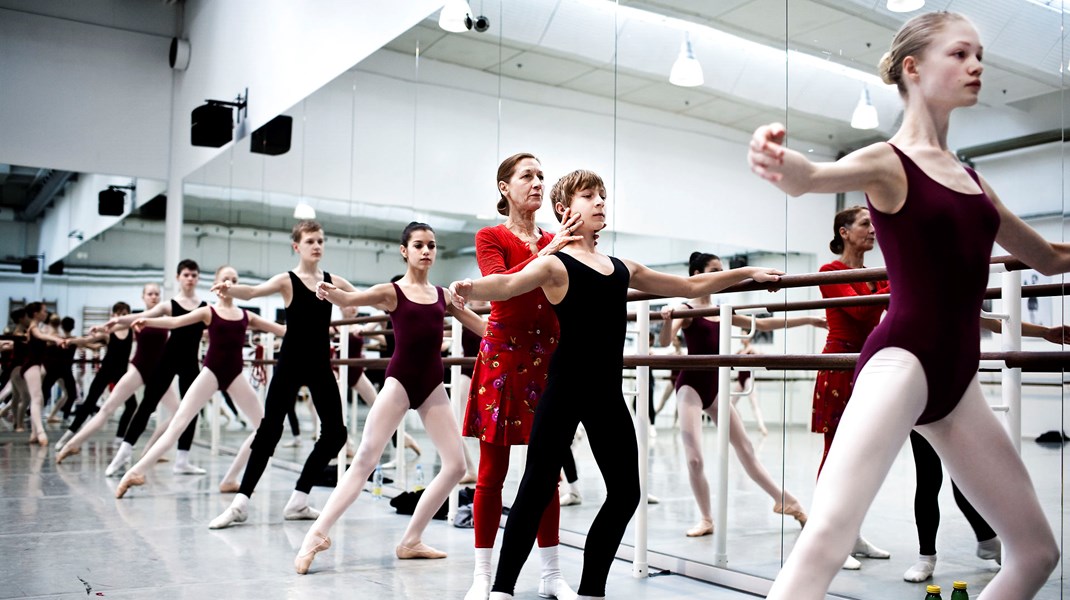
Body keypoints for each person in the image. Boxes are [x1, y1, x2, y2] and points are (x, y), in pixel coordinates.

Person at [747, 11, 1064, 598]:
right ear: (913, 69)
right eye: (960, 54)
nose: (976, 67)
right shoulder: (888, 160)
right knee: (828, 536)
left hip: (958, 380)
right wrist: (782, 165)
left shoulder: (972, 180)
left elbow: (1045, 257)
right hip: (903, 360)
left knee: (1037, 553)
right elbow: (813, 176)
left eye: (979, 57)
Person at [450, 169, 782, 600]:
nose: (601, 202)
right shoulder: (554, 265)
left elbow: (690, 284)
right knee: (535, 488)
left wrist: (747, 273)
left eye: (603, 195)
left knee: (626, 492)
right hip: (564, 387)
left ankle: (591, 590)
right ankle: (502, 590)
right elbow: (508, 285)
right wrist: (468, 285)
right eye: (589, 196)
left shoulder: (624, 267)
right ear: (565, 210)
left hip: (606, 393)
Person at [293, 222, 486, 574]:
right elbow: (351, 299)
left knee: (456, 465)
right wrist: (331, 294)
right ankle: (315, 535)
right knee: (365, 459)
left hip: (431, 386)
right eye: (418, 245)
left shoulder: (443, 296)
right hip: (399, 383)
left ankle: (411, 539)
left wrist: (518, 337)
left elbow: (482, 327)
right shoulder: (392, 292)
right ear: (405, 251)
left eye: (431, 245)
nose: (426, 251)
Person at [460, 152, 585, 600]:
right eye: (527, 176)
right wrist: (550, 251)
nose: (537, 183)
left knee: (546, 472)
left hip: (547, 359)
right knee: (492, 473)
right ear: (504, 187)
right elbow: (500, 282)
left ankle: (551, 573)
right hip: (503, 359)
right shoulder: (491, 235)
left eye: (541, 176)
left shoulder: (558, 237)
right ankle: (482, 574)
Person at [659, 251, 823, 538]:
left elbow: (763, 325)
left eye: (723, 269)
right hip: (690, 387)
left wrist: (808, 319)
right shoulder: (686, 309)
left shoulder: (723, 312)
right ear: (697, 275)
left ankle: (785, 501)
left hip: (715, 387)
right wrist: (665, 319)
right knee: (695, 459)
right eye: (715, 269)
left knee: (746, 449)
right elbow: (664, 342)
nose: (722, 274)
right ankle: (706, 518)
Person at [207, 220, 356, 529]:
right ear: (297, 246)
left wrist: (353, 309)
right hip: (290, 362)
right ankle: (240, 503)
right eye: (311, 240)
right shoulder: (288, 280)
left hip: (319, 364)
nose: (317, 246)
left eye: (321, 240)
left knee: (336, 434)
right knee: (269, 432)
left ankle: (299, 499)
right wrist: (229, 288)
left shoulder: (331, 281)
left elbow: (361, 298)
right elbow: (253, 291)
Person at [115, 265, 286, 498]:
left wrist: (315, 329)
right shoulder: (208, 312)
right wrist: (146, 320)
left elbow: (282, 330)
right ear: (216, 284)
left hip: (235, 374)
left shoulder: (247, 316)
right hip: (211, 372)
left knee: (265, 428)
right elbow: (175, 322)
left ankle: (230, 479)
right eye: (226, 278)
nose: (230, 283)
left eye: (234, 279)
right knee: (178, 424)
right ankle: (136, 471)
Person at [808, 205, 894, 569]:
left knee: (861, 457)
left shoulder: (875, 272)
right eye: (864, 224)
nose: (873, 230)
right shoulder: (830, 271)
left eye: (874, 225)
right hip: (840, 366)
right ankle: (827, 539)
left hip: (868, 364)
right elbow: (861, 310)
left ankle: (851, 533)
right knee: (836, 454)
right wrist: (901, 277)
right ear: (844, 232)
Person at [102, 260, 208, 477]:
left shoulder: (205, 307)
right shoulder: (169, 305)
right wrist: (117, 321)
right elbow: (143, 316)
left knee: (191, 409)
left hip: (190, 362)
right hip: (168, 358)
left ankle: (182, 460)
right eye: (186, 275)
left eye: (194, 275)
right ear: (178, 277)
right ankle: (123, 453)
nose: (190, 279)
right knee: (147, 404)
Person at [55, 284, 180, 464]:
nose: (153, 297)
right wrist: (99, 328)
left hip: (159, 372)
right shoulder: (138, 318)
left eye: (156, 294)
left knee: (178, 412)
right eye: (150, 294)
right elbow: (113, 327)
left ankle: (150, 451)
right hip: (138, 368)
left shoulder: (165, 318)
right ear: (143, 297)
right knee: (107, 408)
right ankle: (72, 444)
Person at [53, 302, 135, 450]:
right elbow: (86, 340)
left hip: (122, 374)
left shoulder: (131, 331)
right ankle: (67, 436)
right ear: (114, 316)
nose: (123, 317)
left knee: (132, 405)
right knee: (89, 403)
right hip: (106, 372)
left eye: (125, 314)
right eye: (120, 314)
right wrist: (70, 341)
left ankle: (119, 438)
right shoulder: (107, 333)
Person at [18, 302, 68, 446]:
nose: (46, 313)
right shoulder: (34, 328)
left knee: (37, 399)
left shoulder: (37, 327)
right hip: (31, 365)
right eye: (44, 311)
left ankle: (35, 433)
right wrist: (56, 339)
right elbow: (41, 336)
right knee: (37, 398)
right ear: (36, 313)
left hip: (35, 365)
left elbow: (43, 337)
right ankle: (40, 432)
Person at [731, 337, 767, 437]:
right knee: (731, 403)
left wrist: (756, 353)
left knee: (754, 403)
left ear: (749, 337)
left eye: (744, 336)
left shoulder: (751, 350)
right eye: (741, 336)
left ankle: (762, 426)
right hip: (740, 380)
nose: (742, 338)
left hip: (748, 379)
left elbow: (761, 357)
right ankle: (740, 424)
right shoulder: (740, 351)